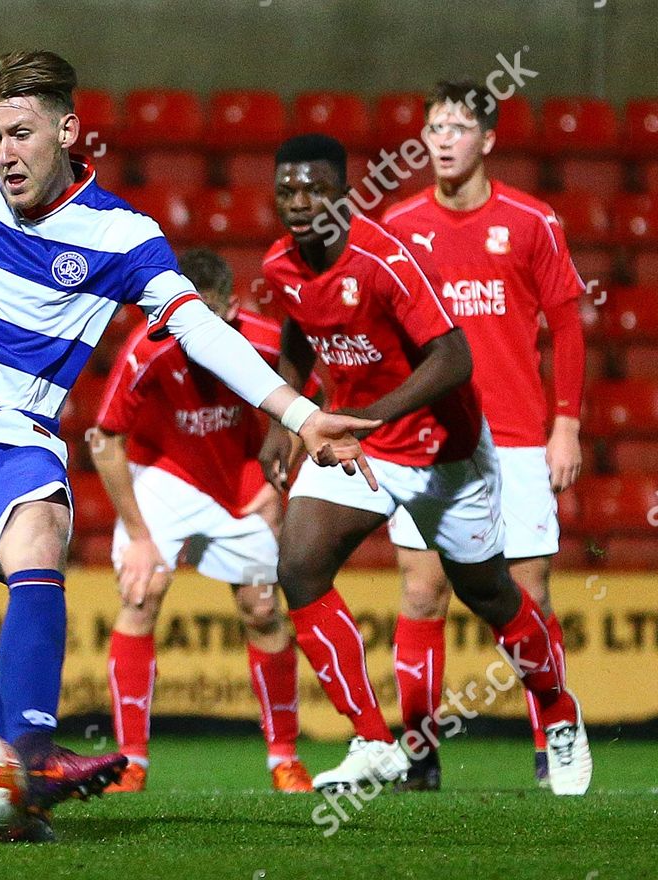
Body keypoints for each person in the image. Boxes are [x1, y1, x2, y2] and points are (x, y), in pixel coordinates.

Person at [0, 51, 382, 839]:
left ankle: (29, 758)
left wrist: (299, 415)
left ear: (67, 129)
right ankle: (4, 785)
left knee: (42, 535)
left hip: (19, 432)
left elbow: (195, 327)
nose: (5, 153)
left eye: (21, 133)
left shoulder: (122, 235)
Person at [256, 133, 592, 797]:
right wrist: (283, 423)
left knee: (489, 592)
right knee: (298, 564)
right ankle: (375, 742)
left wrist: (375, 415)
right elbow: (298, 329)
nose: (299, 203)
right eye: (287, 190)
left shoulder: (386, 258)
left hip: (447, 452)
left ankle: (557, 709)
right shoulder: (279, 265)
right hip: (361, 441)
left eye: (314, 189)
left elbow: (454, 358)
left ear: (342, 193)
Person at [380, 80, 588, 789]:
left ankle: (552, 734)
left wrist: (567, 423)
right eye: (433, 126)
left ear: (488, 140)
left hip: (521, 436)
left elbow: (566, 322)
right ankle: (419, 752)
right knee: (420, 592)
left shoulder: (532, 221)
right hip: (434, 440)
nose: (442, 138)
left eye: (458, 127)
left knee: (529, 593)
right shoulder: (399, 226)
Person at [90, 248, 318, 794]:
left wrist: (277, 473)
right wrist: (141, 537)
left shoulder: (264, 339)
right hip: (167, 475)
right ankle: (130, 761)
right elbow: (105, 441)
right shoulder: (147, 346)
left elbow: (311, 400)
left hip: (241, 477)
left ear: (232, 309)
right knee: (142, 594)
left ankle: (284, 758)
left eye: (206, 318)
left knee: (262, 609)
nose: (192, 334)